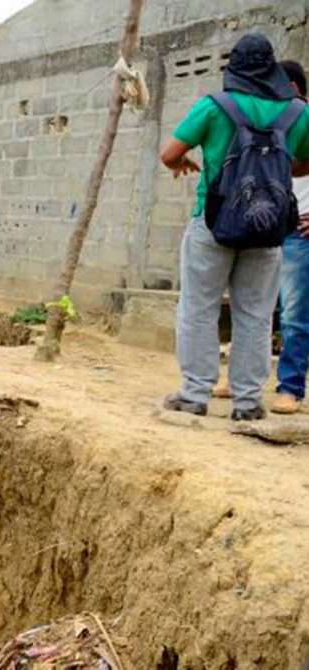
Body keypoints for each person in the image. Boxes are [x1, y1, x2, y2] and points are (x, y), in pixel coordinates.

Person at [161, 34, 309, 422]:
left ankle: (195, 393)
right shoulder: (298, 113)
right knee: (257, 314)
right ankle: (247, 402)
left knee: (198, 307)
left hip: (213, 222)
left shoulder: (214, 107)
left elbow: (169, 154)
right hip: (268, 227)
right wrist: (275, 170)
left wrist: (189, 163)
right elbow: (305, 164)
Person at [270, 59, 309, 414]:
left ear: (293, 89)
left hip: (299, 231)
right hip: (266, 226)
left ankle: (291, 388)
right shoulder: (272, 122)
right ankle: (239, 379)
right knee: (251, 305)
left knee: (294, 313)